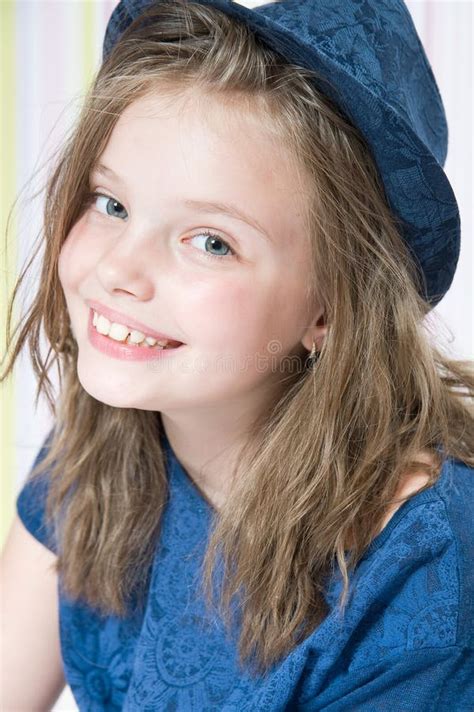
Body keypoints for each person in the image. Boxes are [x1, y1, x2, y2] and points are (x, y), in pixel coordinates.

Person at [1, 0, 473, 709]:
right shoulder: (104, 445)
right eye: (110, 203)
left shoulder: (423, 568)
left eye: (211, 241)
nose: (119, 271)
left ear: (332, 308)